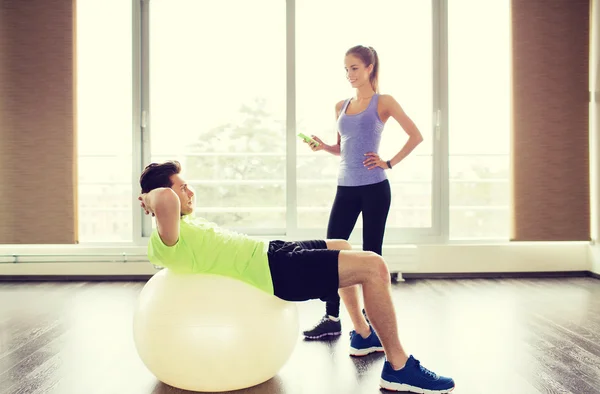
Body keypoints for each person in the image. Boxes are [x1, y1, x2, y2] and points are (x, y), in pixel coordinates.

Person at [138, 160, 455, 393]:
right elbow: (164, 198)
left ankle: (362, 333)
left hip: (274, 252)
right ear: (162, 195)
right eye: (182, 187)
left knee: (343, 245)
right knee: (374, 267)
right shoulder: (167, 241)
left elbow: (169, 199)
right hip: (277, 271)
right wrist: (150, 197)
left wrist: (163, 195)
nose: (189, 191)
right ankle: (398, 366)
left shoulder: (185, 226)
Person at [301, 45, 424, 341]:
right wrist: (324, 147)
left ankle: (372, 323)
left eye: (354, 68)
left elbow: (416, 135)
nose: (349, 74)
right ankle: (332, 318)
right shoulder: (340, 106)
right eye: (346, 69)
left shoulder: (384, 102)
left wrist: (389, 162)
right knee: (332, 251)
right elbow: (344, 148)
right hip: (345, 187)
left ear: (369, 68)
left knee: (372, 255)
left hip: (374, 188)